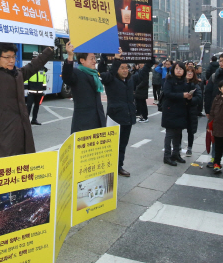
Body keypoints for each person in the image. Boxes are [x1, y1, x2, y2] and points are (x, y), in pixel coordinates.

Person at [0, 37, 55, 160]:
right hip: (1, 134)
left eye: (13, 57)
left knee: (22, 167)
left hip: (21, 130)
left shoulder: (18, 73)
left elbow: (34, 65)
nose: (12, 60)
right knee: (4, 170)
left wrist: (50, 49)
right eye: (7, 57)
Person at [98, 48, 151, 177]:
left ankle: (119, 166)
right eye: (122, 68)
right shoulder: (110, 80)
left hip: (128, 118)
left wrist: (150, 61)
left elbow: (143, 73)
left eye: (126, 68)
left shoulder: (131, 80)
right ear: (116, 69)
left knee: (122, 145)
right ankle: (108, 167)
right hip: (114, 118)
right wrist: (105, 56)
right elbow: (102, 71)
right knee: (111, 145)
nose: (125, 70)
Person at [62, 41, 106, 133]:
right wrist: (70, 56)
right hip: (83, 124)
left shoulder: (94, 74)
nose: (94, 61)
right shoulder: (77, 73)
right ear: (82, 60)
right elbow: (67, 77)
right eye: (92, 58)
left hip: (98, 121)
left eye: (95, 58)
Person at [162, 62, 197, 166]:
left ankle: (176, 154)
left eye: (181, 69)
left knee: (178, 133)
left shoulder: (184, 81)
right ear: (173, 69)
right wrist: (182, 95)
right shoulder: (169, 79)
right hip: (170, 109)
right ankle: (167, 156)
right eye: (176, 68)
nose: (178, 70)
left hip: (181, 109)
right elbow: (167, 93)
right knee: (169, 134)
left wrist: (189, 96)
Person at [24, 51, 48, 126]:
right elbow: (26, 77)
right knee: (29, 106)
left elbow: (44, 77)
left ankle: (34, 120)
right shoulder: (30, 67)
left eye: (37, 57)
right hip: (31, 89)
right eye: (34, 57)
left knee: (37, 106)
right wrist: (26, 87)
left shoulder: (42, 68)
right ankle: (26, 121)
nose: (35, 58)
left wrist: (44, 87)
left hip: (39, 90)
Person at [184, 67, 203, 156]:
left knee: (190, 131)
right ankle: (177, 147)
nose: (189, 73)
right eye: (188, 71)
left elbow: (199, 98)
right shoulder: (180, 83)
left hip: (191, 110)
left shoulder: (196, 85)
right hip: (181, 109)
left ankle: (189, 148)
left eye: (191, 72)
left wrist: (191, 99)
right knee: (178, 129)